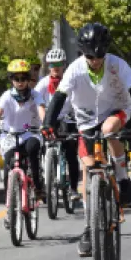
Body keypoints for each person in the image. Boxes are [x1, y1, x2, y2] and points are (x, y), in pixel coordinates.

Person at [42, 22, 131, 257]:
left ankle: (122, 179)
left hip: (117, 109)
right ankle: (89, 227)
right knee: (87, 168)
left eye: (100, 55)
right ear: (83, 53)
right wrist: (48, 123)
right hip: (86, 119)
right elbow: (59, 97)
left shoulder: (118, 65)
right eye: (91, 56)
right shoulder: (75, 69)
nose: (96, 60)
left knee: (110, 129)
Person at [0, 59, 44, 207]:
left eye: (23, 78)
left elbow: (41, 109)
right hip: (10, 134)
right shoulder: (7, 96)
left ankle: (37, 186)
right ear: (11, 80)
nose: (20, 82)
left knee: (32, 149)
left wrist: (46, 125)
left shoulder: (35, 95)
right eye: (16, 79)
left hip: (30, 132)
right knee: (8, 164)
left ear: (28, 79)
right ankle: (9, 203)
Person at [35, 48, 81, 203]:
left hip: (67, 120)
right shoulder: (43, 84)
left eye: (59, 64)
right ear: (48, 66)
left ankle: (74, 188)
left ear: (64, 65)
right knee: (38, 148)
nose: (55, 67)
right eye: (52, 64)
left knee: (71, 154)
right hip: (49, 120)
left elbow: (78, 101)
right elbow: (37, 102)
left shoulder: (70, 80)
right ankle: (42, 183)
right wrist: (43, 120)